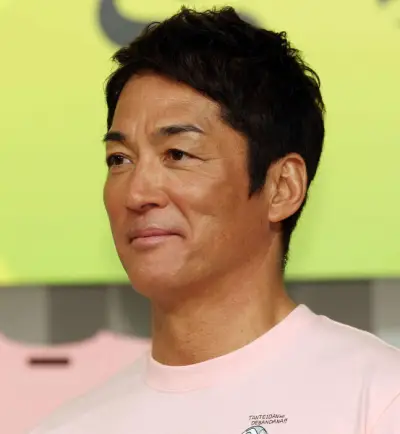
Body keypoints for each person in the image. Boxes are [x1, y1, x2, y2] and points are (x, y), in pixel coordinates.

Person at [29, 6, 400, 434]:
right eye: (119, 159)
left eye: (177, 154)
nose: (137, 194)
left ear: (282, 188)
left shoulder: (378, 399)